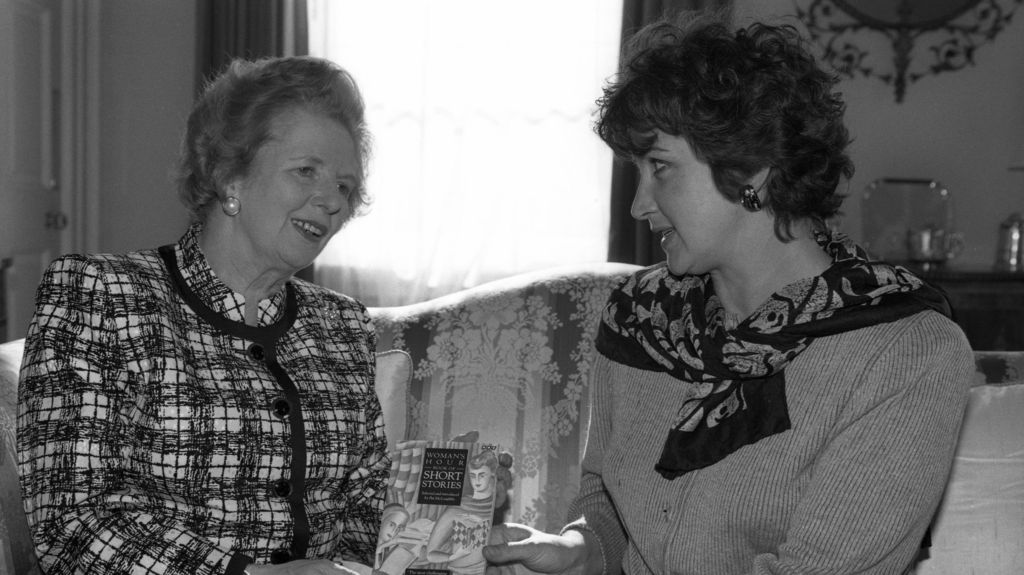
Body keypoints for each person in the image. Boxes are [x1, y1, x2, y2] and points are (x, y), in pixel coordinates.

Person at [483, 12, 973, 575]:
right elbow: (607, 506)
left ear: (753, 169)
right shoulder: (641, 319)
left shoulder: (904, 353)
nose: (639, 204)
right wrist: (576, 551)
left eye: (660, 167)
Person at [17, 56, 389, 575]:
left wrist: (448, 510)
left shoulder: (344, 326)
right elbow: (72, 521)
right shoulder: (100, 294)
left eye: (346, 187)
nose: (330, 201)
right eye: (307, 171)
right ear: (228, 176)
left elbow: (365, 513)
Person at [425, 450, 499, 575]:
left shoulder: (497, 506)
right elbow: (430, 554)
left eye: (481, 475)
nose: (476, 480)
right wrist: (453, 556)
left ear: (492, 474)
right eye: (472, 475)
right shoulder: (456, 509)